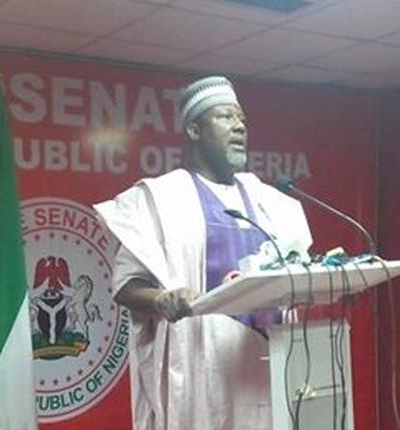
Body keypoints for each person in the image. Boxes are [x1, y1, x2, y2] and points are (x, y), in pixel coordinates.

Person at [94, 76, 312, 430]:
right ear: (194, 129)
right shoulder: (160, 198)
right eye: (225, 117)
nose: (239, 126)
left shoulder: (270, 202)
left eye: (242, 118)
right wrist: (162, 298)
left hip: (269, 361)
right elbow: (125, 286)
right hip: (201, 365)